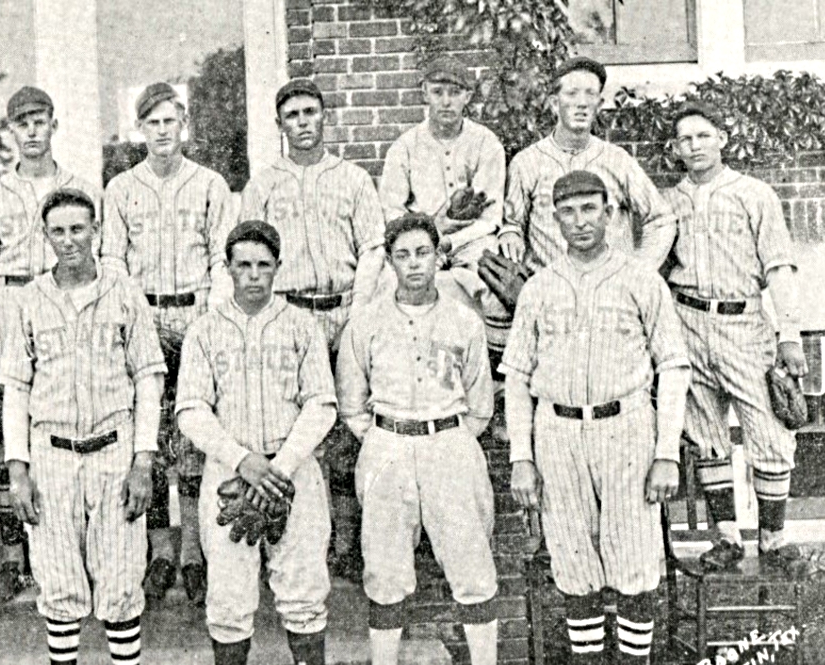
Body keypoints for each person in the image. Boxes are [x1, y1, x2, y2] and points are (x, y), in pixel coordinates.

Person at [500, 172, 690, 665]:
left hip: (627, 426)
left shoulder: (640, 279)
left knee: (634, 564)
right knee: (574, 564)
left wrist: (666, 453)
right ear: (554, 220)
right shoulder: (538, 287)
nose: (580, 220)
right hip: (558, 431)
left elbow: (674, 366)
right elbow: (516, 379)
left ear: (610, 213)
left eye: (590, 209)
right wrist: (521, 456)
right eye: (568, 211)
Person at [0, 188, 167, 665]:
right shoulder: (28, 299)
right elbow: (16, 387)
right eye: (58, 231)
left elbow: (148, 375)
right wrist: (17, 469)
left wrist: (143, 459)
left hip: (113, 447)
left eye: (78, 229)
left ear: (96, 230)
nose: (69, 241)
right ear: (44, 236)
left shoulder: (124, 292)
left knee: (120, 581)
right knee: (59, 581)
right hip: (51, 452)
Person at [176, 220, 357, 665]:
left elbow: (322, 404)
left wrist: (280, 464)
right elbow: (191, 410)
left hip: (292, 470)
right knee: (229, 592)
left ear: (278, 267)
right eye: (243, 265)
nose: (253, 275)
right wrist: (242, 460)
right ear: (227, 268)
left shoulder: (301, 325)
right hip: (230, 473)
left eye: (263, 265)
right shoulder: (206, 329)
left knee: (303, 587)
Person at [337, 213, 506, 665]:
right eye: (403, 255)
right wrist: (384, 438)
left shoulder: (463, 321)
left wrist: (448, 437)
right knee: (385, 574)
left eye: (423, 253)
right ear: (390, 262)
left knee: (472, 568)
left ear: (439, 257)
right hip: (387, 442)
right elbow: (351, 404)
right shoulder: (365, 323)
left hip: (449, 443)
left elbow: (481, 405)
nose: (414, 264)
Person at [241, 77, 385, 582]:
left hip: (343, 310)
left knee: (346, 427)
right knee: (289, 424)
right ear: (279, 125)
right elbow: (249, 252)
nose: (302, 123)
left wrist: (360, 311)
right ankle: (282, 535)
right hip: (290, 312)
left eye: (310, 112)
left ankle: (343, 540)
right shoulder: (263, 184)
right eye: (292, 115)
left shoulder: (352, 179)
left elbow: (372, 247)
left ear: (325, 117)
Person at [102, 82, 239, 606]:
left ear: (184, 124)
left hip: (197, 313)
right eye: (152, 122)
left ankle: (196, 555)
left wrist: (209, 317)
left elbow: (221, 257)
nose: (162, 131)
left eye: (170, 121)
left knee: (196, 441)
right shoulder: (121, 189)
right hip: (145, 316)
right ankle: (160, 553)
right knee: (153, 440)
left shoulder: (209, 184)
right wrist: (136, 318)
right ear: (140, 129)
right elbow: (112, 260)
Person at [663, 103, 812, 574]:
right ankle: (725, 538)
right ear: (676, 150)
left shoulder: (753, 193)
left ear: (722, 138)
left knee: (769, 430)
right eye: (686, 139)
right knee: (707, 434)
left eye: (703, 135)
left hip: (744, 322)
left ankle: (773, 539)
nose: (695, 145)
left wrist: (790, 332)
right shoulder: (667, 204)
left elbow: (778, 265)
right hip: (687, 321)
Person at [0, 87, 103, 605]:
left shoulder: (80, 187)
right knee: (6, 438)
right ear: (10, 130)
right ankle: (12, 559)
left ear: (54, 124)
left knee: (66, 426)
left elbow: (101, 260)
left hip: (64, 304)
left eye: (39, 120)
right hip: (10, 299)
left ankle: (73, 553)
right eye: (21, 122)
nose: (31, 131)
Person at [380, 57, 512, 360]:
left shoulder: (485, 143)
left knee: (495, 287)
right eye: (438, 92)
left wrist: (451, 241)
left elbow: (490, 218)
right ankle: (407, 365)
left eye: (455, 93)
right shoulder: (405, 147)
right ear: (424, 92)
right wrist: (429, 235)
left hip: (472, 240)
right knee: (392, 286)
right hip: (420, 239)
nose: (446, 102)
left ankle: (493, 370)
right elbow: (392, 212)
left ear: (468, 96)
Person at [498, 57, 675, 275]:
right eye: (572, 94)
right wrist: (510, 233)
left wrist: (638, 273)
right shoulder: (527, 163)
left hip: (611, 293)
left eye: (590, 94)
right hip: (553, 292)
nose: (582, 103)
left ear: (599, 105)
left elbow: (661, 219)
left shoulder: (618, 160)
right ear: (555, 103)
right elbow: (512, 223)